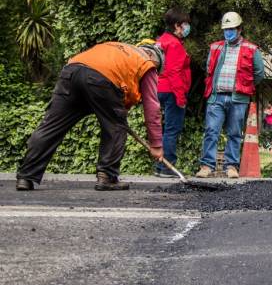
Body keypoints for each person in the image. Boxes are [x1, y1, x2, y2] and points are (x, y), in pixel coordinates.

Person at [15, 41, 165, 191]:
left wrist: (119, 111)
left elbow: (118, 87)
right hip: (101, 80)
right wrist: (156, 145)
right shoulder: (147, 64)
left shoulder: (116, 47)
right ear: (153, 57)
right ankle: (107, 177)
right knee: (116, 128)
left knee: (51, 126)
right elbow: (152, 107)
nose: (155, 73)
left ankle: (25, 177)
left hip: (71, 71)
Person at [196, 12, 265, 179]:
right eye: (226, 29)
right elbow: (209, 69)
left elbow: (259, 73)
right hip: (216, 97)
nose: (228, 32)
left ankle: (231, 166)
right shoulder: (215, 47)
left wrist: (245, 86)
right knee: (211, 130)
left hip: (238, 98)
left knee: (234, 132)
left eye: (232, 28)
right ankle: (207, 166)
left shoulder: (251, 49)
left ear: (240, 29)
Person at [154, 8, 192, 177]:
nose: (187, 27)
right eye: (185, 24)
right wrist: (181, 97)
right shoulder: (175, 44)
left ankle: (159, 166)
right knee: (171, 129)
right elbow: (175, 72)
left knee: (162, 129)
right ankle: (167, 167)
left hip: (158, 89)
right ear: (177, 25)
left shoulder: (161, 40)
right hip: (171, 90)